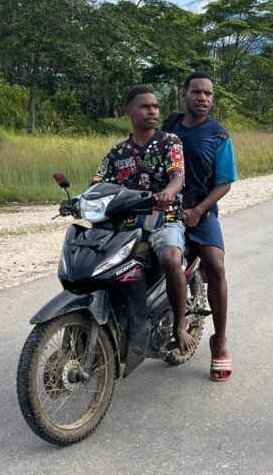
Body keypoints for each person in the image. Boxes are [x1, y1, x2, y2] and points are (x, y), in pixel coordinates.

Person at [89, 85, 197, 353]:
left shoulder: (170, 142)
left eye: (155, 106)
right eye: (145, 106)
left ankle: (179, 325)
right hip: (125, 224)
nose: (152, 111)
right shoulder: (117, 153)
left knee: (170, 258)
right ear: (129, 110)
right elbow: (97, 184)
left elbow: (178, 176)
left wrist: (168, 193)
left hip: (165, 218)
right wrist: (78, 201)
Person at [163, 71, 238, 382]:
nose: (203, 98)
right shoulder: (170, 125)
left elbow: (225, 182)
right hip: (167, 210)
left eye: (208, 94)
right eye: (196, 92)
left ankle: (219, 341)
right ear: (185, 94)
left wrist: (199, 210)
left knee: (216, 268)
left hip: (201, 213)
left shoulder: (218, 135)